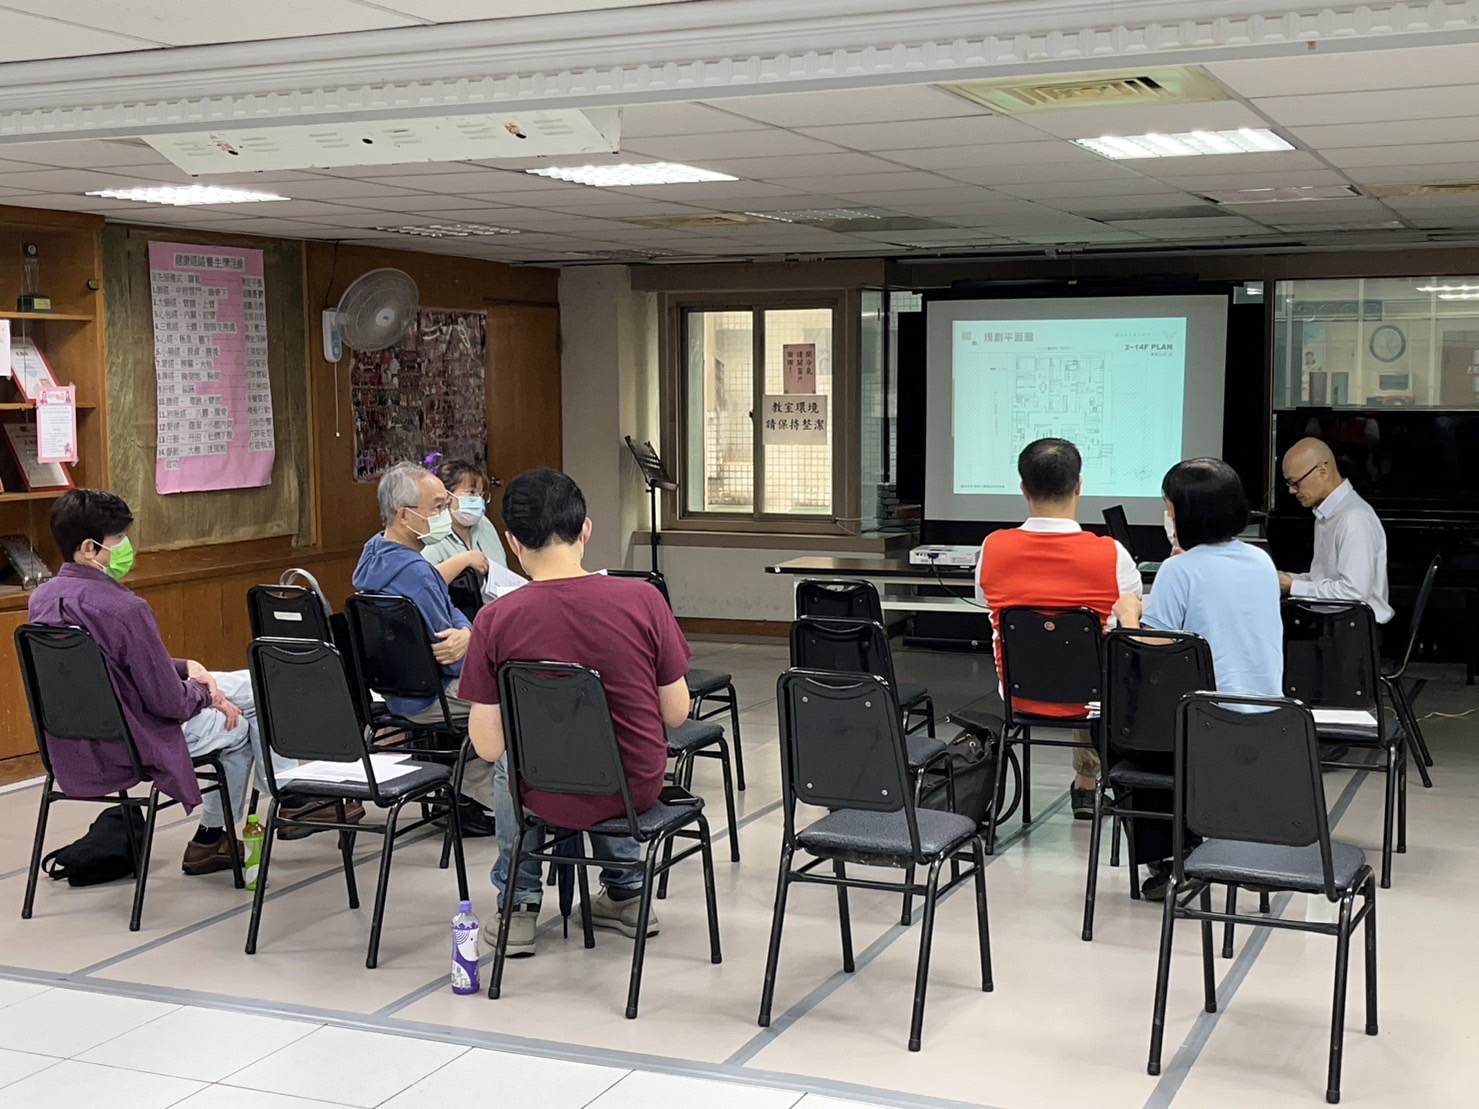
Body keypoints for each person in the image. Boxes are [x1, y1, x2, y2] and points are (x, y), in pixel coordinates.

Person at [459, 468, 692, 958]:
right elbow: (676, 712)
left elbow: (488, 745)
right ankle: (628, 894)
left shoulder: (494, 619)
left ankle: (518, 905)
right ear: (585, 529)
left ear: (513, 542)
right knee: (611, 753)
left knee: (508, 764)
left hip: (542, 788)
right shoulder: (644, 600)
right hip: (632, 786)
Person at [27, 490, 270, 874]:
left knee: (250, 686)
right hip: (137, 738)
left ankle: (264, 812)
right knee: (240, 722)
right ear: (90, 548)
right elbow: (169, 703)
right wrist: (207, 696)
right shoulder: (126, 608)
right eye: (119, 539)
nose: (126, 547)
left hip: (77, 738)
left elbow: (105, 663)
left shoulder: (42, 599)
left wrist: (188, 668)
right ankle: (222, 832)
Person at [1113, 458, 1284, 899]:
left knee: (1122, 733)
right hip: (1269, 720)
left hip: (1205, 726)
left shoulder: (1179, 571)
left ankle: (1172, 857)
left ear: (1183, 514)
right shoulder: (1261, 561)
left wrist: (1128, 614)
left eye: (1168, 508)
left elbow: (1151, 649)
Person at [975, 438, 1142, 820]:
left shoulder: (992, 547)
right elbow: (1130, 609)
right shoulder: (1112, 554)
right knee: (1100, 655)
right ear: (1079, 485)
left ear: (1024, 489)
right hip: (1092, 702)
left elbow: (985, 599)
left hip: (1019, 697)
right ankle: (1102, 784)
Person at [351, 461, 496, 833]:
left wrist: (466, 634)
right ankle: (478, 790)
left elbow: (450, 619)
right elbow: (451, 657)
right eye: (437, 507)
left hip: (394, 693)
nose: (445, 515)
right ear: (405, 516)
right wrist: (472, 639)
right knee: (519, 697)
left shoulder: (374, 554)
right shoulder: (416, 574)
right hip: (432, 696)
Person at [1277, 437, 1392, 625]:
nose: (1292, 491)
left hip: (1354, 629)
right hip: (1338, 623)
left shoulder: (1354, 518)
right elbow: (1325, 580)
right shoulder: (1328, 513)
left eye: (1296, 483)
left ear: (1322, 471)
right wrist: (1289, 579)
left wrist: (1293, 586)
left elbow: (1353, 593)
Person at [420, 456, 508, 587]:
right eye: (471, 492)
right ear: (447, 496)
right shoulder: (433, 533)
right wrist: (464, 560)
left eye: (481, 494)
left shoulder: (484, 523)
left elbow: (502, 568)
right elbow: (422, 582)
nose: (478, 500)